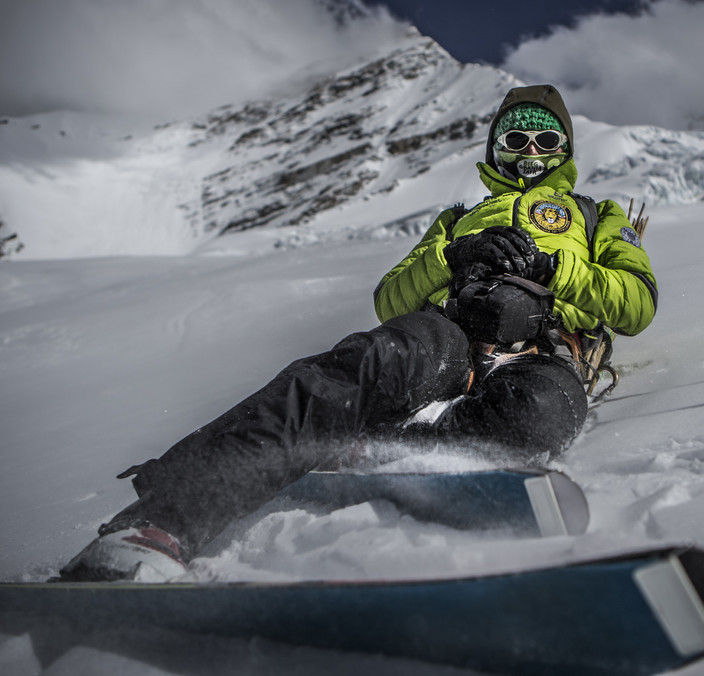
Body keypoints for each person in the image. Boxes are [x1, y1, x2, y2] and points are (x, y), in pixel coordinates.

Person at [58, 84, 657, 582]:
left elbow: (635, 303)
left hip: (545, 347)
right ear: (495, 149)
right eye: (516, 138)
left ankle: (409, 454)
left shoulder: (594, 214)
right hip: (455, 333)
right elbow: (388, 298)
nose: (530, 151)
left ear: (564, 150)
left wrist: (554, 268)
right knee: (376, 359)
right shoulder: (455, 220)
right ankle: (163, 519)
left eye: (545, 140)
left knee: (539, 412)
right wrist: (451, 258)